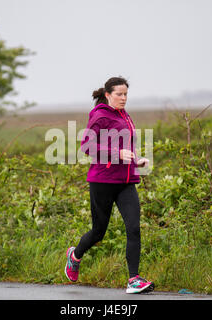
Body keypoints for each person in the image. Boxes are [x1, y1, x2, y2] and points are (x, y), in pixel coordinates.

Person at [64, 76, 155, 294]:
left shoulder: (125, 115)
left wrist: (136, 160)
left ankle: (134, 279)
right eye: (119, 94)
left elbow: (124, 147)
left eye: (126, 94)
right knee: (98, 232)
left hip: (126, 182)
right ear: (108, 95)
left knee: (133, 228)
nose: (123, 98)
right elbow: (87, 147)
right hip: (102, 181)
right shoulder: (100, 116)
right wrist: (116, 154)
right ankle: (75, 256)